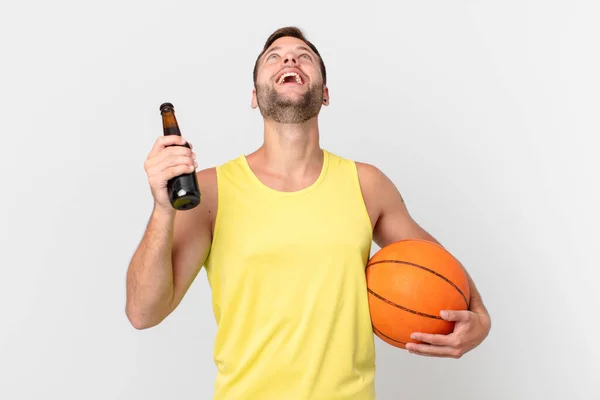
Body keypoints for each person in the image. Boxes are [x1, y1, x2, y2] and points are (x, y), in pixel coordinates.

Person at [125, 26, 491, 400]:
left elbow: (438, 265)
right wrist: (162, 211)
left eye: (304, 56)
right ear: (254, 96)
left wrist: (479, 315)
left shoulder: (366, 185)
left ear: (325, 94)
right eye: (274, 56)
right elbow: (143, 313)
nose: (289, 59)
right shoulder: (212, 191)